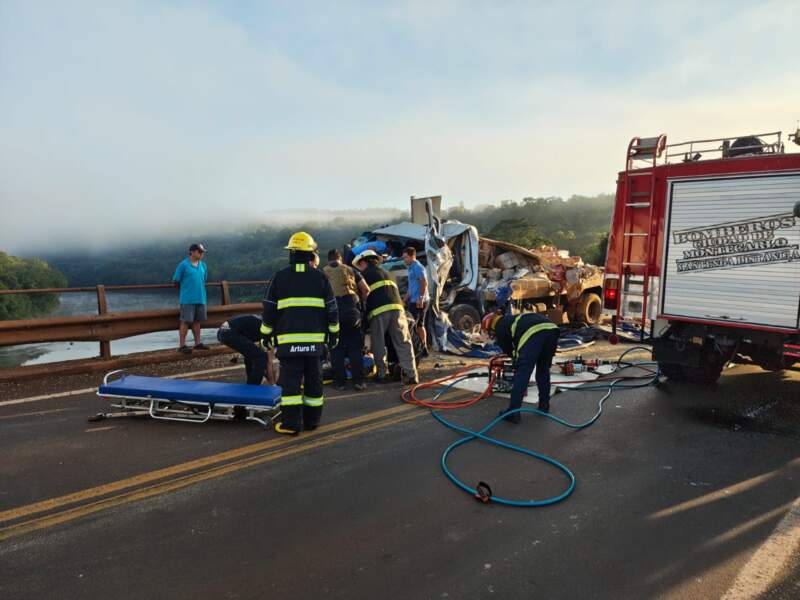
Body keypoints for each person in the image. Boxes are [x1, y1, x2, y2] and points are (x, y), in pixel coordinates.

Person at [260, 232, 339, 435]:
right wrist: (334, 335)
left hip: (288, 343)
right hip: (315, 343)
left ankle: (291, 424)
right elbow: (332, 309)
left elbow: (269, 309)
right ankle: (312, 422)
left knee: (291, 385)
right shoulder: (321, 277)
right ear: (311, 254)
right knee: (314, 381)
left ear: (292, 254)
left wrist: (265, 334)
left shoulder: (279, 276)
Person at [353, 249, 418, 385]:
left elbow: (362, 298)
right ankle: (412, 374)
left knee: (378, 343)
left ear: (363, 262)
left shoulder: (363, 275)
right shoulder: (387, 273)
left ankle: (382, 375)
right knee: (404, 342)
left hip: (378, 312)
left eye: (360, 265)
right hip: (398, 309)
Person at [482, 311, 560, 421]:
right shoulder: (510, 320)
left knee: (522, 373)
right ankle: (544, 406)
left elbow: (509, 350)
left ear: (490, 326)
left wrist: (516, 362)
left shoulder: (500, 327)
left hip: (533, 333)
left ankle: (513, 412)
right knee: (543, 370)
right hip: (552, 330)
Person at [323, 249, 369, 391]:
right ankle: (359, 382)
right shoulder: (351, 270)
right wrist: (360, 305)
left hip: (333, 313)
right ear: (340, 258)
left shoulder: (322, 273)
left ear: (328, 260)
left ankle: (340, 382)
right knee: (355, 348)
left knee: (336, 348)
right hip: (351, 311)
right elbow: (366, 290)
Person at [217, 314, 275, 385]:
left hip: (223, 331)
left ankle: (250, 384)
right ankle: (252, 387)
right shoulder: (269, 329)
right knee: (261, 357)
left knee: (252, 355)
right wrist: (273, 384)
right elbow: (269, 361)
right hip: (229, 333)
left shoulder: (262, 321)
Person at [172, 243, 208, 354]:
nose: (202, 254)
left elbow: (204, 279)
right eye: (199, 252)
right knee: (186, 321)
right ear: (192, 252)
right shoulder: (183, 265)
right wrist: (186, 291)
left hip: (201, 298)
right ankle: (182, 345)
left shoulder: (203, 265)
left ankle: (197, 343)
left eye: (202, 252)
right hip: (187, 299)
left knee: (197, 321)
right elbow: (175, 281)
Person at [401, 247, 429, 357]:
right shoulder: (411, 268)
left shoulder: (417, 267)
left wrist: (421, 298)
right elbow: (411, 288)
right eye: (403, 258)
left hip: (418, 301)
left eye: (406, 257)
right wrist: (403, 300)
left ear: (412, 256)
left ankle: (418, 349)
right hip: (413, 300)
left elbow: (424, 282)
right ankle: (423, 347)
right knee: (419, 325)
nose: (404, 260)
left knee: (412, 325)